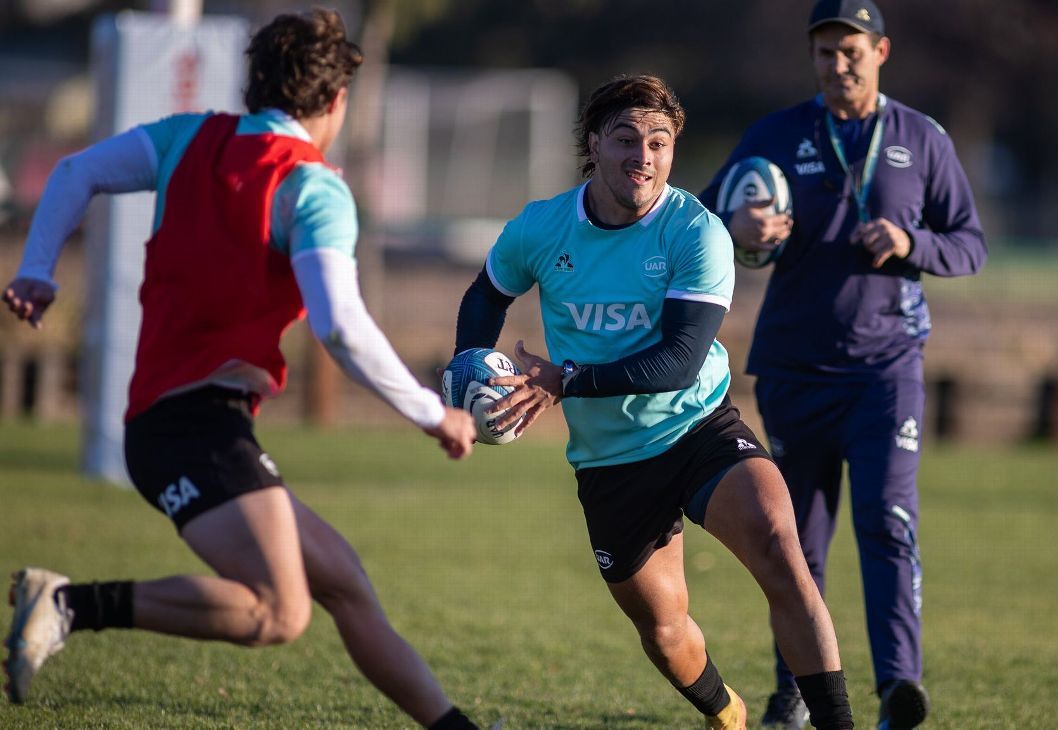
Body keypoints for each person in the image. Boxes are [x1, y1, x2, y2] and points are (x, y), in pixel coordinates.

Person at [2, 10, 484, 729]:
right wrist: (431, 411)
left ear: (253, 84)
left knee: (344, 584)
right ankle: (69, 605)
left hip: (181, 421)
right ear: (336, 103)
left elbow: (77, 172)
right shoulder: (313, 189)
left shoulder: (189, 137)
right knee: (278, 612)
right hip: (191, 428)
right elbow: (341, 329)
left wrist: (38, 270)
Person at [453, 73, 855, 730]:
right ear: (593, 144)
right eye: (626, 139)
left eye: (659, 142)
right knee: (665, 634)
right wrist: (464, 376)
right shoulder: (543, 227)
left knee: (782, 546)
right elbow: (485, 294)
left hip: (697, 427)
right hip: (610, 460)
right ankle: (727, 715)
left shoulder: (695, 231)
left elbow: (678, 361)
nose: (643, 157)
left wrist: (566, 380)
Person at [698, 1, 987, 728]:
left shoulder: (921, 139)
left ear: (881, 51)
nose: (838, 64)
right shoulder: (776, 134)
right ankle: (794, 692)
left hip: (886, 371)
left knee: (888, 522)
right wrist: (737, 229)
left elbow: (969, 244)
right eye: (824, 51)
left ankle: (899, 690)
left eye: (851, 49)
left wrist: (911, 241)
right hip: (794, 370)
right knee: (794, 543)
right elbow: (697, 219)